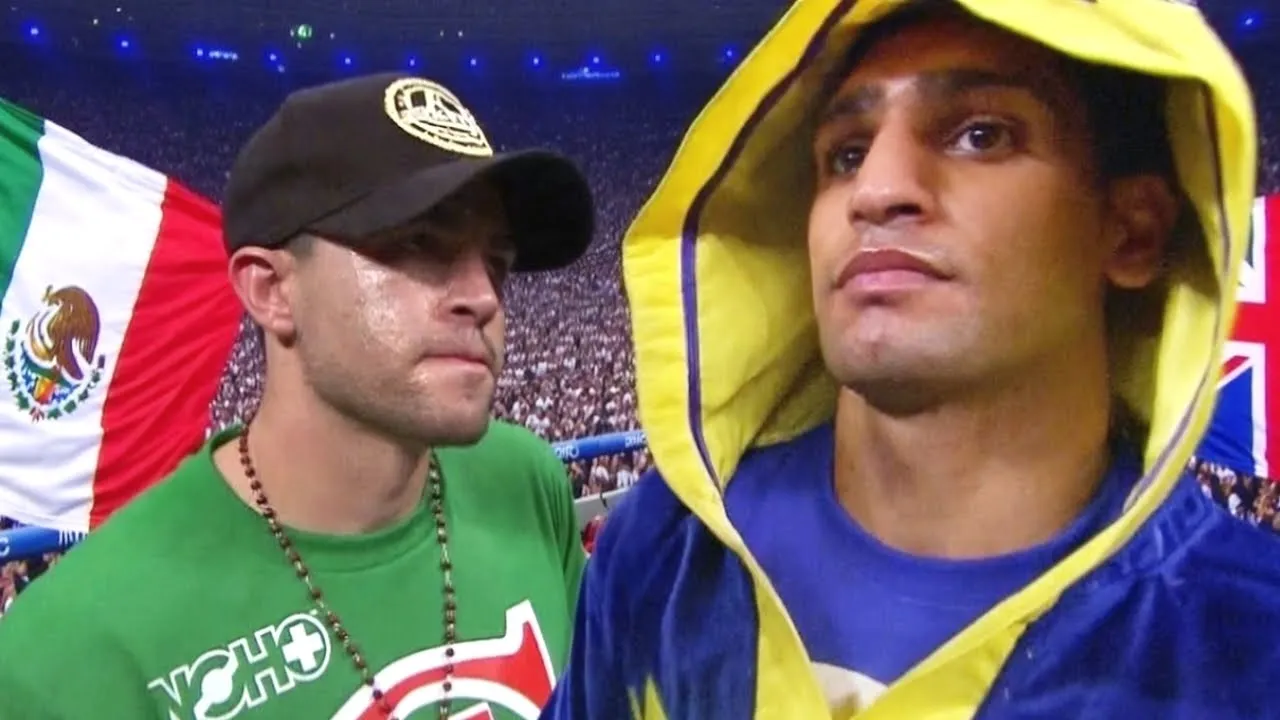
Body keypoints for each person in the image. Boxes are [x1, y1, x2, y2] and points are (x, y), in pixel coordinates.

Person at [545, 1, 1280, 718]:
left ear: (1133, 232)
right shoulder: (667, 548)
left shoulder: (1247, 645)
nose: (875, 190)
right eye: (846, 155)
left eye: (981, 135)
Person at [0, 73, 593, 720]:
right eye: (420, 244)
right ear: (271, 290)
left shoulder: (525, 482)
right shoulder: (69, 653)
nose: (482, 298)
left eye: (497, 263)